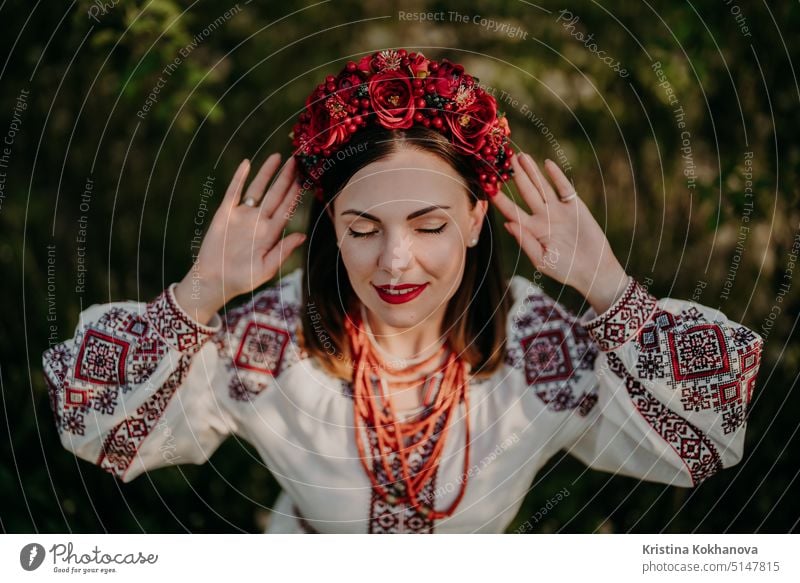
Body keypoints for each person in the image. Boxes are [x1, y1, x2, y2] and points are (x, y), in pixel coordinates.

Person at [43, 49, 765, 534]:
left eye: (430, 225)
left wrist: (610, 289)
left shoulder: (540, 347)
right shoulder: (268, 340)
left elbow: (704, 438)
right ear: (331, 222)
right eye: (362, 228)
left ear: (477, 219)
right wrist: (199, 293)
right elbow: (93, 424)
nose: (396, 262)